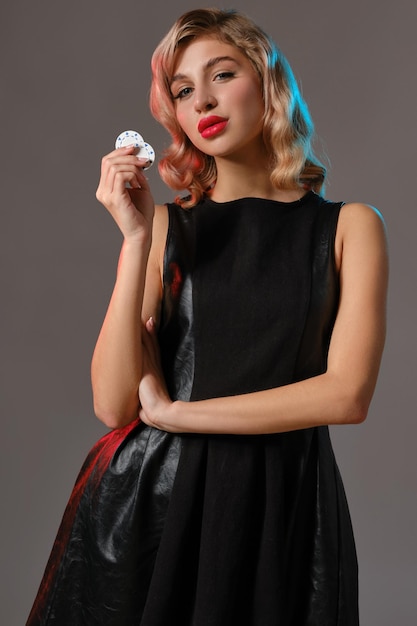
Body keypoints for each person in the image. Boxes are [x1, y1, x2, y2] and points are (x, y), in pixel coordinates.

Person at [27, 7, 388, 626]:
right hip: (158, 508)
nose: (203, 101)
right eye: (183, 90)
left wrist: (177, 415)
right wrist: (136, 238)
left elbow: (347, 395)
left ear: (269, 81)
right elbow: (114, 407)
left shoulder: (350, 227)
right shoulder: (167, 227)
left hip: (287, 504)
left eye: (222, 74)